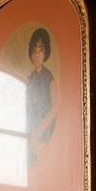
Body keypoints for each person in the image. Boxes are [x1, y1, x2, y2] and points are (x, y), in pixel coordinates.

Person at [26, 26, 58, 164]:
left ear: (45, 53)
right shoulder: (29, 79)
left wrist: (38, 132)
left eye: (40, 50)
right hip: (30, 131)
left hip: (45, 132)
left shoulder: (49, 77)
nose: (37, 54)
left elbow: (55, 108)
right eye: (34, 50)